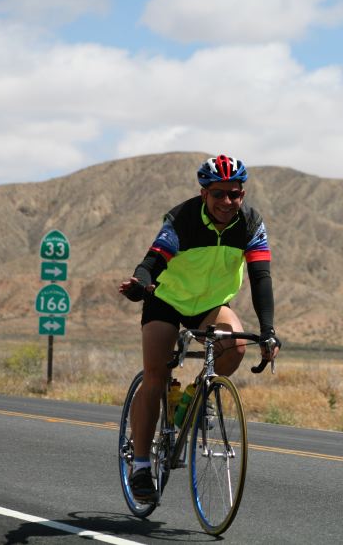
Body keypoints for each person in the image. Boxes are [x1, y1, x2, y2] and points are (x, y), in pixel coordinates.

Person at [118, 154, 280, 501]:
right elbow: (153, 261)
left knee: (235, 346)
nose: (227, 202)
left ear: (243, 194)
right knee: (156, 375)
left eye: (234, 194)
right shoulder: (182, 219)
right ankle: (142, 466)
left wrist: (268, 331)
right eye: (219, 193)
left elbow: (261, 277)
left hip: (209, 305)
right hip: (167, 301)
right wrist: (139, 283)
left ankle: (192, 398)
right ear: (204, 193)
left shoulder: (251, 224)